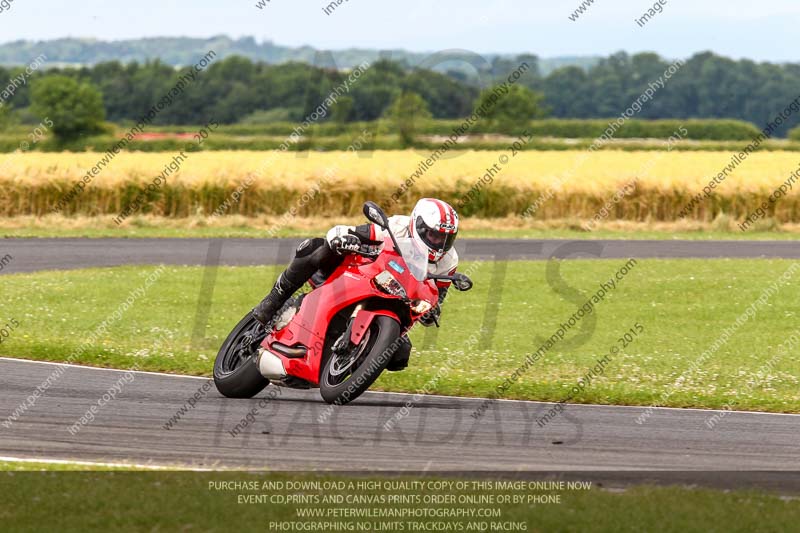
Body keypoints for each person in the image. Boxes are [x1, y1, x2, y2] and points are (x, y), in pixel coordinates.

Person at [252, 198, 460, 371]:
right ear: (419, 225)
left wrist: (431, 312)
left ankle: (348, 365)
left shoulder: (449, 261)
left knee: (400, 355)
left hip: (397, 301)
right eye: (434, 235)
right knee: (314, 247)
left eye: (445, 238)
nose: (439, 243)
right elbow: (346, 231)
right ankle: (275, 298)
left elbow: (436, 296)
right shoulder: (397, 226)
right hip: (363, 275)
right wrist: (344, 239)